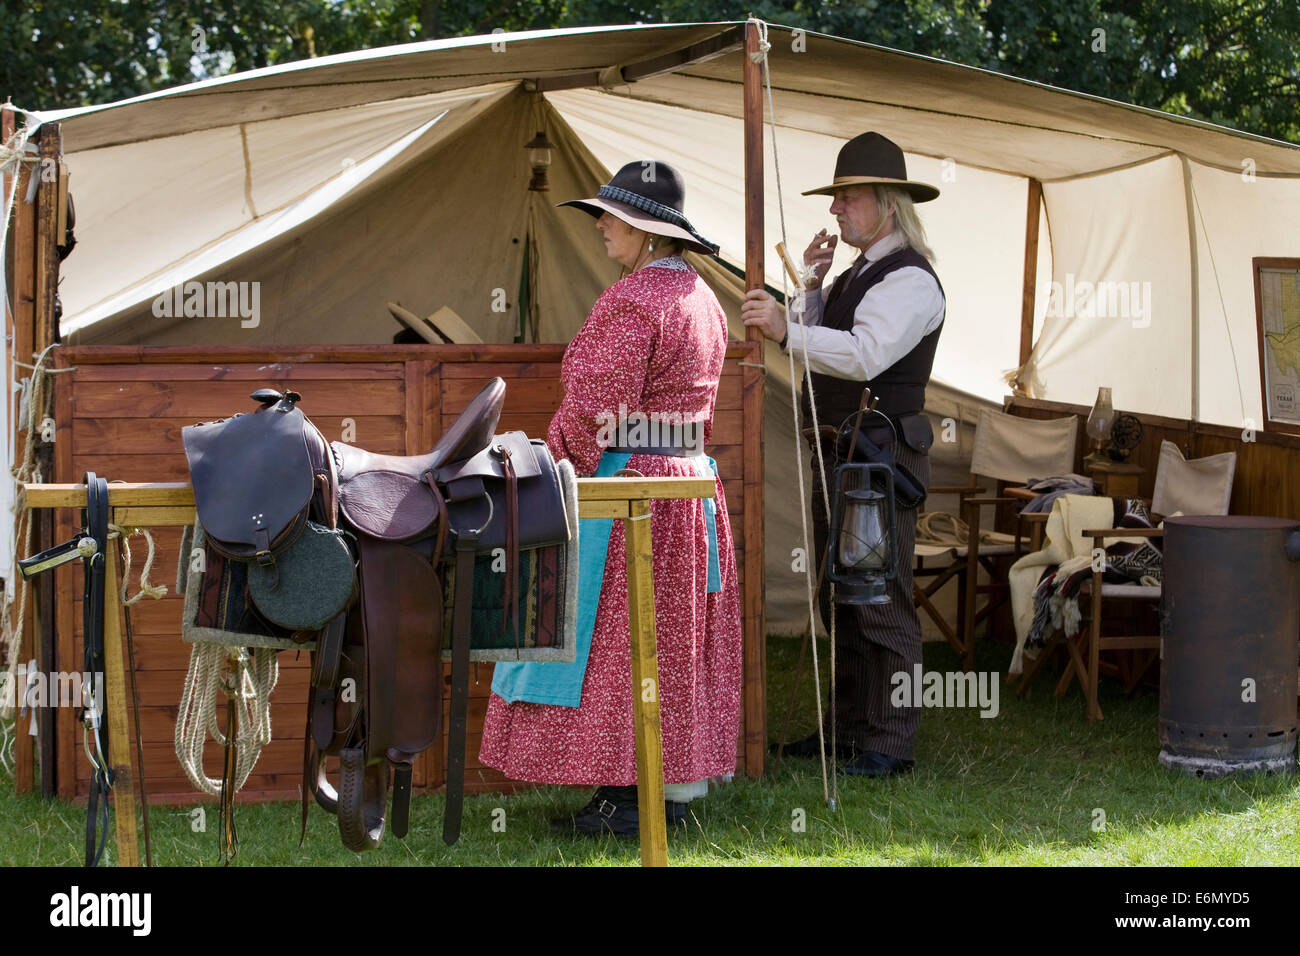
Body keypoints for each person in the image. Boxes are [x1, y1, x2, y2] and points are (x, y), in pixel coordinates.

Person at [479, 161, 743, 835]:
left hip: (631, 490)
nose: (599, 226)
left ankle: (628, 800)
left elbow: (597, 408)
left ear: (647, 232)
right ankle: (663, 794)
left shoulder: (632, 301)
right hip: (688, 486)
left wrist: (552, 472)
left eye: (610, 217)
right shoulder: (703, 298)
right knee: (668, 643)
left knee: (616, 641)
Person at [741, 132, 944, 778]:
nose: (836, 211)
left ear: (888, 204)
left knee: (879, 599)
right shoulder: (860, 271)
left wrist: (785, 326)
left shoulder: (910, 278)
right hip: (845, 458)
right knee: (844, 598)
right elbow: (816, 343)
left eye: (848, 199)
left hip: (877, 461)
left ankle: (891, 741)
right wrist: (810, 285)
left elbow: (860, 356)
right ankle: (853, 731)